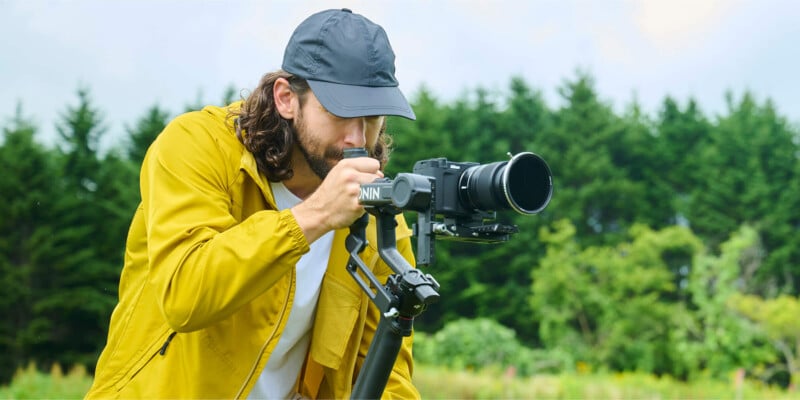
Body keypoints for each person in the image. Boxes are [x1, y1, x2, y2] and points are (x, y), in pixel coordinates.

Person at [86, 8, 419, 399]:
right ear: (285, 98)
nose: (357, 138)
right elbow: (185, 295)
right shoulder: (195, 146)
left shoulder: (378, 218)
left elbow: (387, 375)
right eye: (340, 112)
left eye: (372, 117)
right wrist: (313, 217)